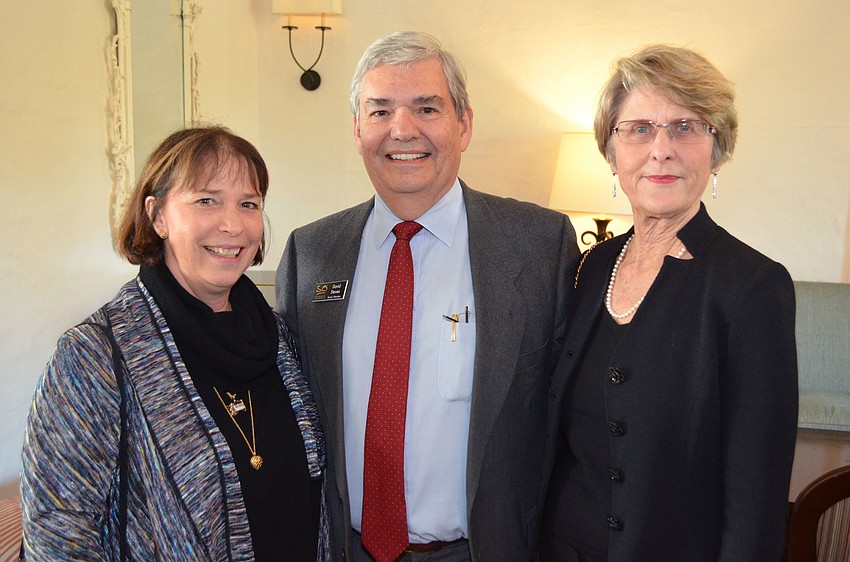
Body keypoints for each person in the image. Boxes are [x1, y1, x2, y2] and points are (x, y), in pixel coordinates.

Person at [275, 32, 580, 562]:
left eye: (426, 107)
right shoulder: (311, 253)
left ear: (463, 125)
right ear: (357, 129)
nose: (402, 130)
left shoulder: (540, 248)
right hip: (345, 550)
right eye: (380, 110)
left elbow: (571, 423)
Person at [539, 45, 798, 561]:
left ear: (717, 149)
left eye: (685, 127)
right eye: (638, 129)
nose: (661, 150)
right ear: (611, 153)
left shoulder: (753, 287)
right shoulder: (591, 266)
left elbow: (757, 497)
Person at [21, 126, 328, 561]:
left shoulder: (281, 339)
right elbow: (58, 533)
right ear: (158, 215)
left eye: (249, 204)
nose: (233, 224)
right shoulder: (96, 355)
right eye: (206, 200)